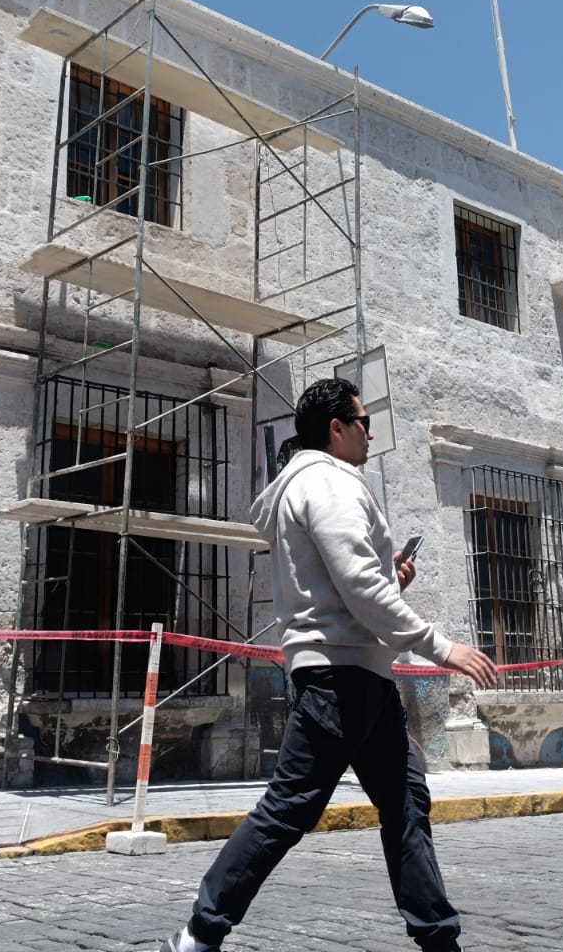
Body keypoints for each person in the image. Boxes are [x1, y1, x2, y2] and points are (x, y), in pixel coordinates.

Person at [161, 378, 498, 952]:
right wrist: (441, 647)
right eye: (363, 422)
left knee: (406, 802)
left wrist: (392, 579)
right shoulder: (331, 481)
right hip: (339, 679)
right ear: (336, 429)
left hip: (359, 674)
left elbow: (351, 585)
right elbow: (360, 588)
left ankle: (439, 939)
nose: (370, 432)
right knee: (290, 808)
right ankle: (200, 930)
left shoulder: (313, 483)